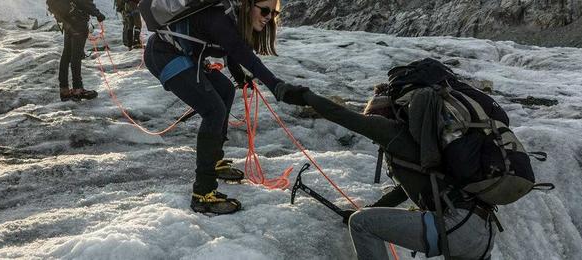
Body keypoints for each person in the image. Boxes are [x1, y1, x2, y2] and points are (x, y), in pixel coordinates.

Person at [277, 60, 505, 259]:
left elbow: (343, 116)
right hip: (481, 231)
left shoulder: (391, 130)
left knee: (361, 224)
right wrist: (371, 209)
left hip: (456, 227)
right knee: (362, 218)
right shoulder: (427, 141)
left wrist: (307, 96)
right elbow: (407, 190)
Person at [143, 0, 306, 215]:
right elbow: (242, 53)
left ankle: (215, 161)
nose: (268, 17)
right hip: (164, 55)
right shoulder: (220, 18)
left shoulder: (232, 17)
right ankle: (203, 193)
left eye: (273, 13)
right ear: (249, 5)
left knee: (226, 90)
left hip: (183, 54)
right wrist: (276, 85)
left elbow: (230, 49)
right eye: (265, 10)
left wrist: (239, 75)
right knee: (213, 110)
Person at [47, 0, 107, 101]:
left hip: (67, 22)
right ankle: (77, 89)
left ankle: (64, 89)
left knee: (66, 55)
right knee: (76, 56)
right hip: (78, 22)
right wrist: (97, 14)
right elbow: (84, 2)